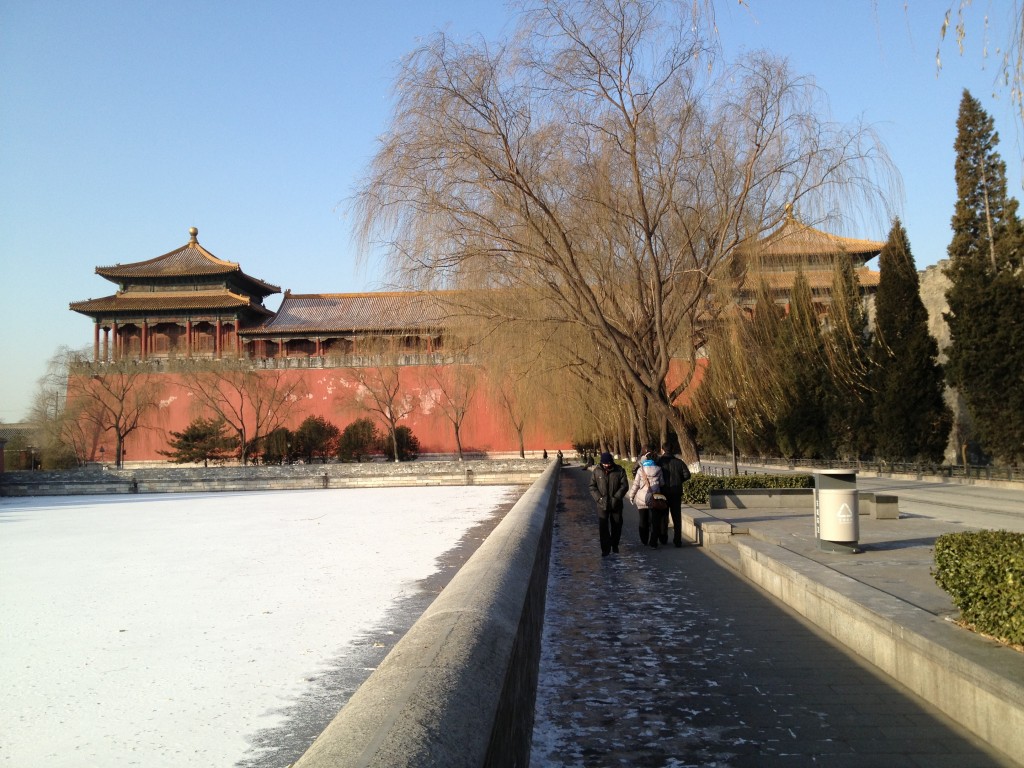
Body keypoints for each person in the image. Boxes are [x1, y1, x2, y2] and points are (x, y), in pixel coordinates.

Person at [589, 452, 628, 556]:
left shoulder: (619, 470)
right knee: (603, 527)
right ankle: (605, 549)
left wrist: (616, 497)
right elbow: (592, 487)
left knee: (617, 525)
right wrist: (599, 498)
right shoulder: (597, 471)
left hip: (616, 503)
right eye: (605, 463)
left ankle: (615, 545)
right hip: (602, 504)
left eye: (608, 463)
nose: (607, 465)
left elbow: (624, 486)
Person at [628, 450, 666, 548]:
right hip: (654, 498)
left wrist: (631, 496)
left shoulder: (641, 470)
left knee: (642, 520)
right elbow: (662, 483)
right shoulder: (658, 469)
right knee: (654, 521)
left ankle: (644, 540)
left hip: (642, 498)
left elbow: (636, 484)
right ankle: (653, 542)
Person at [656, 443, 691, 547]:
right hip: (676, 492)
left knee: (663, 516)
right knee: (676, 517)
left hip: (663, 493)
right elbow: (687, 475)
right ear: (673, 449)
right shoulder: (679, 462)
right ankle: (677, 540)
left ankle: (663, 538)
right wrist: (679, 481)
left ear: (662, 450)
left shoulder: (659, 462)